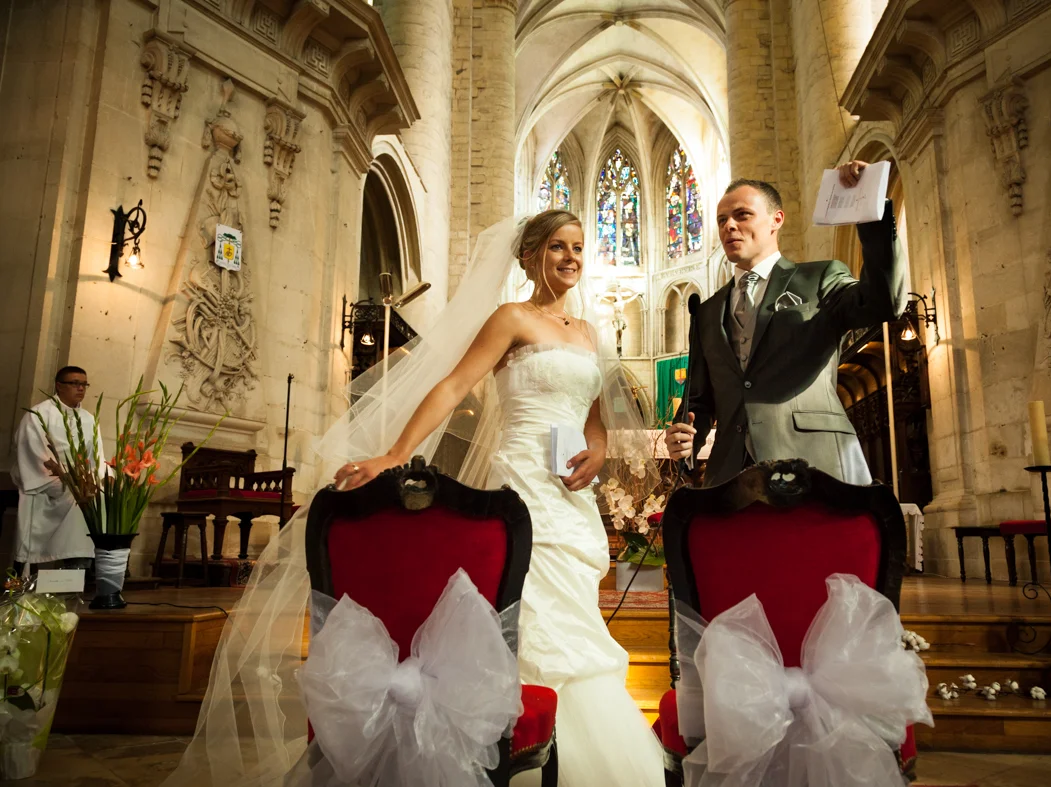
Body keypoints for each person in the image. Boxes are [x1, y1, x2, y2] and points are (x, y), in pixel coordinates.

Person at [162, 211, 664, 786]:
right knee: (522, 620)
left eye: (577, 247)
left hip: (569, 493)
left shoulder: (587, 333)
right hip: (522, 487)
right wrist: (395, 453)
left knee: (574, 625)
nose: (570, 258)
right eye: (556, 247)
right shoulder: (510, 318)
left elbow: (594, 418)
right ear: (528, 257)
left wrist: (598, 450)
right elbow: (452, 385)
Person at [665, 163, 908, 485]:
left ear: (776, 220)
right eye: (722, 220)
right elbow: (699, 399)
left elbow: (884, 301)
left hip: (816, 464)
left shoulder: (819, 278)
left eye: (742, 215)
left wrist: (869, 208)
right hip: (731, 477)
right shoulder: (707, 312)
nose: (729, 226)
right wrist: (685, 439)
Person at [11, 366, 100, 574]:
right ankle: (70, 567)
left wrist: (92, 479)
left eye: (84, 384)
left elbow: (95, 456)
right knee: (76, 497)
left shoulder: (88, 419)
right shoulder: (38, 414)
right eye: (75, 383)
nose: (80, 388)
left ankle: (80, 569)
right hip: (45, 481)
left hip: (77, 481)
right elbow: (32, 452)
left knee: (95, 497)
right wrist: (65, 478)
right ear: (59, 386)